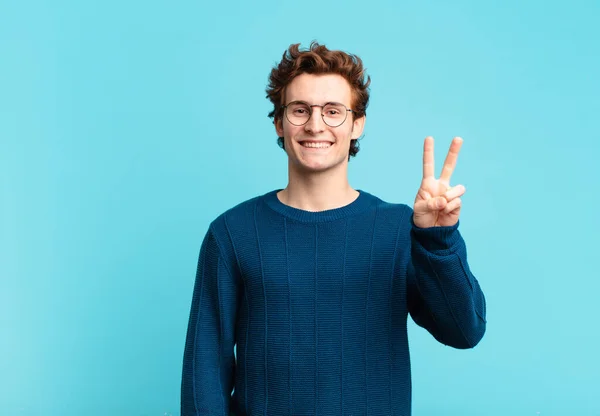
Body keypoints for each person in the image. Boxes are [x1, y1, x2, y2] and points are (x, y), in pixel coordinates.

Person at [180, 41, 486, 416]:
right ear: (278, 121)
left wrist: (438, 241)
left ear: (357, 124)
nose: (315, 124)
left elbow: (464, 331)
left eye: (332, 111)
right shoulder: (232, 233)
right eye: (299, 110)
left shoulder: (399, 230)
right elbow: (204, 371)